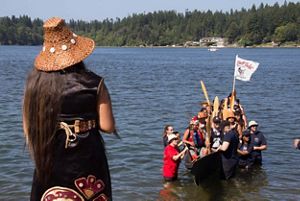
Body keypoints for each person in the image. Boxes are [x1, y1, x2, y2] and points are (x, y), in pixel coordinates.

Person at [23, 17, 116, 201]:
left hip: (48, 155)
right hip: (87, 157)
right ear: (76, 52)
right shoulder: (94, 83)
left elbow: (28, 129)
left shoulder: (35, 84)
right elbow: (108, 126)